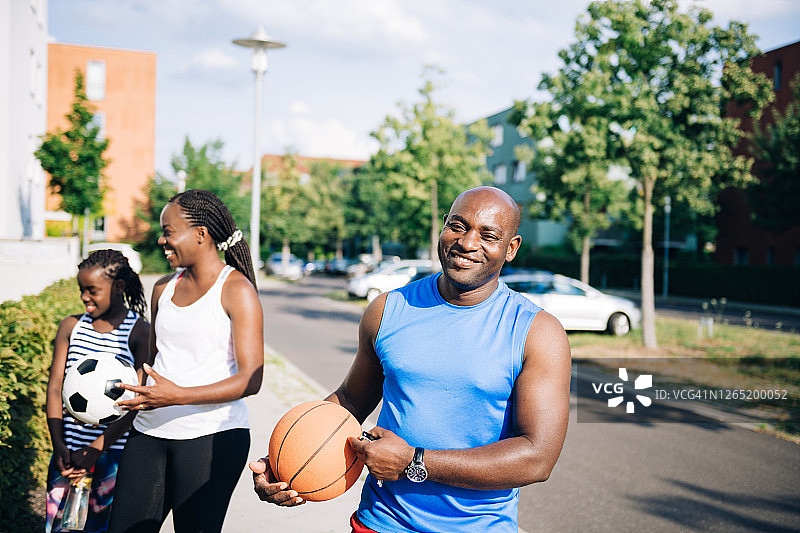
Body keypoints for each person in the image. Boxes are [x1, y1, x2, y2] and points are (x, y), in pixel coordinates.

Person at [251, 186, 572, 532]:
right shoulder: (387, 309)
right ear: (443, 226)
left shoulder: (537, 333)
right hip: (381, 521)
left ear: (511, 248)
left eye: (488, 235)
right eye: (458, 226)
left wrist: (414, 462)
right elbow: (350, 400)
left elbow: (537, 458)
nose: (466, 243)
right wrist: (284, 461)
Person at [108, 189, 264, 533]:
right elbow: (149, 368)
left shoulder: (237, 290)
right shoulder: (163, 288)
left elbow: (251, 380)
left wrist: (178, 395)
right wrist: (108, 423)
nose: (162, 241)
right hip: (149, 432)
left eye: (168, 231)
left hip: (211, 438)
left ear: (201, 234)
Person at [45, 249, 150, 533]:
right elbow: (55, 388)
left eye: (92, 290)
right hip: (67, 454)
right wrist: (59, 447)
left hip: (112, 455)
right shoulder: (72, 326)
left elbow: (137, 402)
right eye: (81, 289)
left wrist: (96, 449)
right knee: (59, 526)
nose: (84, 297)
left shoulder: (138, 332)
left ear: (118, 287)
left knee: (101, 528)